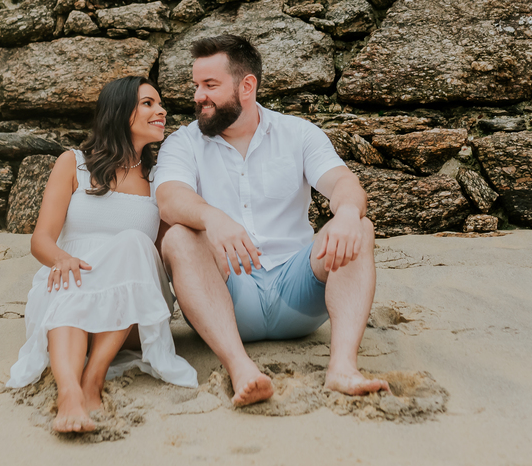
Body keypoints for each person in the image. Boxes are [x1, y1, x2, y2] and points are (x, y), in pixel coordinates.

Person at [153, 34, 388, 407]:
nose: (198, 95)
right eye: (196, 85)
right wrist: (212, 217)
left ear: (247, 86)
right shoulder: (184, 142)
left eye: (210, 85)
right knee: (180, 236)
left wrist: (345, 212)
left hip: (299, 295)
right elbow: (168, 198)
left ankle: (342, 368)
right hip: (228, 300)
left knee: (359, 225)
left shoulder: (298, 133)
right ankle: (240, 367)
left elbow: (344, 183)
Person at [6, 76, 197, 433]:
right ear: (120, 110)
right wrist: (61, 259)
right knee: (73, 280)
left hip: (132, 313)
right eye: (148, 103)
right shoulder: (73, 163)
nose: (161, 111)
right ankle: (70, 395)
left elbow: (163, 253)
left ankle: (93, 380)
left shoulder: (159, 180)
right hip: (70, 283)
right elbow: (41, 240)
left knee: (132, 243)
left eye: (160, 103)